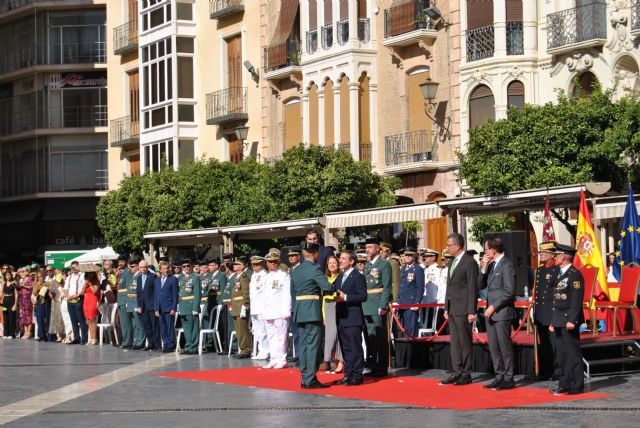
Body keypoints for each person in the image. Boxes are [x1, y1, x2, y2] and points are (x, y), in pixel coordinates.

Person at [291, 241, 334, 389]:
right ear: (316, 254)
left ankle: (304, 378)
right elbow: (327, 286)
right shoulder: (314, 269)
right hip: (312, 311)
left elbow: (293, 292)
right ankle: (310, 379)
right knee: (313, 346)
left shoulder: (296, 270)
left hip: (300, 311)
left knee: (303, 345)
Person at [440, 232, 479, 386]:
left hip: (463, 308)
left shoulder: (469, 262)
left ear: (457, 245)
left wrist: (471, 310)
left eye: (449, 245)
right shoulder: (452, 262)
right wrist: (445, 307)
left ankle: (466, 372)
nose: (447, 248)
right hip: (452, 308)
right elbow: (449, 287)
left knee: (464, 341)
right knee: (455, 342)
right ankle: (457, 370)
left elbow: (472, 288)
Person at [479, 235, 516, 390]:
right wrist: (483, 267)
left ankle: (508, 377)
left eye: (486, 250)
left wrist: (494, 306)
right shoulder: (492, 265)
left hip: (501, 312)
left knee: (504, 346)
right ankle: (499, 375)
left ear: (493, 250)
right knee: (494, 346)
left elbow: (509, 291)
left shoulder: (506, 265)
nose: (485, 252)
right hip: (490, 313)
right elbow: (481, 285)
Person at [549, 244, 585, 396]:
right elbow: (556, 300)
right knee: (562, 354)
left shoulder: (574, 274)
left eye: (557, 254)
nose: (555, 257)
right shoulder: (559, 273)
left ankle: (576, 385)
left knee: (572, 353)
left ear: (564, 256)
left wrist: (572, 320)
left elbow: (576, 300)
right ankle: (564, 384)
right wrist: (552, 321)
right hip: (558, 319)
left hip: (568, 319)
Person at [334, 251, 368, 386]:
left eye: (343, 258)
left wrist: (346, 297)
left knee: (355, 347)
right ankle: (348, 374)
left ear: (351, 261)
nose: (340, 261)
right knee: (345, 348)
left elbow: (363, 296)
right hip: (341, 317)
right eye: (340, 258)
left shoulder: (358, 276)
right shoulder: (340, 276)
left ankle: (357, 375)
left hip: (353, 317)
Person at [363, 237, 392, 378]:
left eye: (370, 247)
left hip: (377, 303)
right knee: (370, 337)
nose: (367, 250)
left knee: (380, 336)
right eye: (366, 247)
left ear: (377, 249)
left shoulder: (384, 264)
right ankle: (372, 363)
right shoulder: (367, 265)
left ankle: (382, 366)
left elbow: (386, 286)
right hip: (367, 304)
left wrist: (383, 305)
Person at [534, 241, 561, 379]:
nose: (541, 255)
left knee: (554, 343)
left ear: (552, 254)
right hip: (541, 310)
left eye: (544, 252)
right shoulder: (539, 270)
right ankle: (547, 370)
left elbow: (557, 292)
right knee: (544, 343)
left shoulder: (556, 269)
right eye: (540, 252)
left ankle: (557, 370)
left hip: (551, 310)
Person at [262, 250, 292, 369]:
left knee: (281, 337)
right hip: (268, 311)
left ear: (279, 262)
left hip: (280, 311)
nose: (273, 264)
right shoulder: (267, 277)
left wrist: (286, 310)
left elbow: (287, 294)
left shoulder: (284, 275)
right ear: (267, 263)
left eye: (275, 261)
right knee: (271, 336)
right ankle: (273, 358)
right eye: (270, 262)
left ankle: (282, 359)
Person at [319, 255, 344, 374]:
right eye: (330, 263)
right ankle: (331, 360)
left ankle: (340, 362)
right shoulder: (325, 279)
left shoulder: (341, 277)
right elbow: (323, 298)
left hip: (337, 307)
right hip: (327, 308)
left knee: (338, 336)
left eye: (334, 263)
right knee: (329, 337)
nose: (332, 265)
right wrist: (323, 315)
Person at [397, 247, 425, 338]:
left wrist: (417, 302)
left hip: (411, 303)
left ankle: (411, 350)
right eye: (406, 255)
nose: (407, 257)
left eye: (410, 255)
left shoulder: (417, 269)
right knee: (401, 329)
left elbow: (420, 287)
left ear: (414, 256)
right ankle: (404, 350)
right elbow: (401, 286)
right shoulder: (403, 269)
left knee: (411, 330)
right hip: (402, 303)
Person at [154, 261, 179, 352]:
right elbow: (156, 295)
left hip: (169, 307)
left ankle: (171, 345)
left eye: (167, 268)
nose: (166, 270)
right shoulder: (156, 280)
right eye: (164, 268)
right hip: (160, 308)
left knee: (169, 327)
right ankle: (165, 344)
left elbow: (175, 295)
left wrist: (174, 308)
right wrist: (156, 308)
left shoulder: (173, 279)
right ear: (160, 269)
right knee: (162, 328)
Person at [178, 259, 201, 355]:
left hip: (191, 305)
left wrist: (195, 308)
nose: (186, 268)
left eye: (188, 266)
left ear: (191, 266)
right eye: (184, 266)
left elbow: (197, 293)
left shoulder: (195, 277)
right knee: (186, 328)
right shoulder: (179, 277)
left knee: (194, 328)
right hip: (183, 305)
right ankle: (188, 346)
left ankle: (193, 347)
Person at [137, 260, 161, 351]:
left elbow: (156, 292)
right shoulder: (139, 278)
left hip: (152, 306)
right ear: (139, 268)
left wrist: (156, 307)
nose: (143, 269)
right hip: (143, 307)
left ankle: (157, 345)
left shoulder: (153, 277)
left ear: (147, 268)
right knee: (147, 326)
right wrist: (139, 305)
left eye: (145, 267)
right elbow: (138, 294)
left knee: (155, 326)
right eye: (141, 267)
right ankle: (150, 343)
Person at [249, 256, 270, 360]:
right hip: (254, 307)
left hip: (262, 306)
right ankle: (261, 350)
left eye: (257, 264)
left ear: (262, 264)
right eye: (253, 264)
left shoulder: (265, 275)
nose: (255, 266)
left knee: (263, 330)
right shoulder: (253, 276)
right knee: (257, 330)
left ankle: (265, 351)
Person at [230, 257, 251, 358]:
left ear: (242, 266)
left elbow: (246, 293)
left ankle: (246, 350)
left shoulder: (244, 277)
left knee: (243, 329)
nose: (234, 266)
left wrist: (245, 305)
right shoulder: (237, 277)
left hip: (240, 306)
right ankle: (242, 349)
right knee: (239, 330)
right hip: (235, 306)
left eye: (236, 264)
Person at [64, 261, 87, 345]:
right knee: (73, 320)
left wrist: (76, 295)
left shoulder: (83, 275)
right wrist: (67, 295)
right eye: (72, 267)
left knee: (81, 320)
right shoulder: (69, 277)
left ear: (78, 266)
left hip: (79, 299)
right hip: (70, 300)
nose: (73, 269)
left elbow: (83, 289)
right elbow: (65, 288)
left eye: (74, 267)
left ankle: (84, 338)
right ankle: (76, 338)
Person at [286, 246, 302, 363]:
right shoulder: (290, 271)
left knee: (301, 332)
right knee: (295, 332)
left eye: (293, 255)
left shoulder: (301, 269)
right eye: (289, 256)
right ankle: (297, 353)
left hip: (299, 304)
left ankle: (302, 355)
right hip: (291, 305)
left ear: (299, 256)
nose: (291, 258)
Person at [420, 249, 441, 330]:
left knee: (430, 325)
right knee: (424, 324)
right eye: (424, 256)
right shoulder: (426, 269)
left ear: (433, 257)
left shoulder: (437, 270)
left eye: (427, 256)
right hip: (425, 301)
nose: (425, 258)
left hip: (432, 301)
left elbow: (439, 286)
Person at [126, 259, 145, 350]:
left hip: (136, 302)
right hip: (131, 302)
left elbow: (139, 292)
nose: (131, 268)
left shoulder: (140, 276)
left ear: (138, 266)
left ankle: (140, 342)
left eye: (133, 266)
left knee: (139, 324)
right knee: (134, 324)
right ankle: (136, 340)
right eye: (130, 267)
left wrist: (139, 305)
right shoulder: (133, 276)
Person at [116, 255, 134, 349]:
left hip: (125, 300)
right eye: (119, 261)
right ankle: (125, 340)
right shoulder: (121, 273)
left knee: (126, 323)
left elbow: (129, 287)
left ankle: (128, 342)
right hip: (120, 300)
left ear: (126, 262)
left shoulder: (128, 272)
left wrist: (128, 300)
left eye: (122, 261)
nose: (120, 263)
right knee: (123, 323)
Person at [83, 269, 101, 346]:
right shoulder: (86, 281)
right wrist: (85, 285)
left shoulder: (96, 281)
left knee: (93, 320)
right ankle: (91, 338)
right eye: (88, 273)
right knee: (88, 320)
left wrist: (90, 284)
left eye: (91, 273)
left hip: (93, 300)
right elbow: (83, 292)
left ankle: (94, 338)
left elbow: (94, 291)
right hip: (86, 300)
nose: (90, 275)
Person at [33, 270, 52, 342]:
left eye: (41, 276)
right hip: (40, 302)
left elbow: (51, 292)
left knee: (48, 318)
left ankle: (50, 336)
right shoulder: (36, 284)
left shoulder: (48, 283)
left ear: (44, 276)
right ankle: (41, 336)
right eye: (39, 277)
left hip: (47, 301)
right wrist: (38, 285)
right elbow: (34, 293)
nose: (40, 278)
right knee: (40, 319)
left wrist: (47, 287)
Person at [48, 269, 65, 342]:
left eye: (59, 273)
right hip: (56, 301)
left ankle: (65, 334)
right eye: (57, 273)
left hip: (64, 301)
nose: (59, 274)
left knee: (63, 318)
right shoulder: (53, 282)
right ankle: (59, 335)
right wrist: (51, 295)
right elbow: (50, 293)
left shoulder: (64, 281)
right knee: (57, 318)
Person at [17, 267, 34, 339]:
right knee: (23, 316)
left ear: (29, 271)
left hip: (28, 300)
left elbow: (31, 287)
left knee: (28, 315)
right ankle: (25, 331)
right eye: (23, 271)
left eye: (25, 271)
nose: (24, 272)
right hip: (22, 300)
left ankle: (29, 332)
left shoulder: (30, 278)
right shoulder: (22, 279)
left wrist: (23, 286)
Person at [2, 271, 18, 338]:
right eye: (6, 275)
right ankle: (6, 333)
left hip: (11, 300)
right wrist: (1, 302)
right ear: (5, 276)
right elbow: (2, 293)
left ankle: (11, 334)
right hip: (5, 300)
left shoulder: (13, 283)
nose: (8, 276)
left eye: (9, 275)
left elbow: (16, 294)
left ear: (11, 276)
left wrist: (15, 304)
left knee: (12, 318)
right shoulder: (4, 283)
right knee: (5, 318)